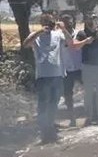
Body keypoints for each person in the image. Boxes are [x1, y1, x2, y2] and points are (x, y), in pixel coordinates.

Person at [22, 14, 85, 143]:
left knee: (53, 105)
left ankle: (51, 132)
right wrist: (40, 31)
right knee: (43, 105)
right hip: (43, 76)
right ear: (41, 23)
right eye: (46, 22)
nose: (48, 25)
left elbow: (71, 44)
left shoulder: (57, 35)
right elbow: (25, 44)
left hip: (57, 75)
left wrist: (63, 29)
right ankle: (44, 133)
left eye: (50, 22)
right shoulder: (36, 35)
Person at [76, 14, 98, 126]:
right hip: (88, 67)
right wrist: (85, 42)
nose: (92, 21)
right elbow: (75, 46)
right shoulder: (82, 33)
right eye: (90, 19)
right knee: (88, 94)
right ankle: (89, 117)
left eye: (94, 19)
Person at [61, 14, 83, 127]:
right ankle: (72, 118)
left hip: (79, 67)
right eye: (65, 21)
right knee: (68, 95)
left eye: (69, 20)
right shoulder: (59, 36)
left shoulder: (79, 33)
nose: (68, 23)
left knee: (89, 89)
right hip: (67, 69)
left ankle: (90, 114)